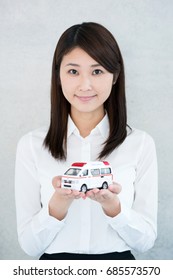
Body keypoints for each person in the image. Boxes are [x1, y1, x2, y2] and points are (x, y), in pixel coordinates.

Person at [15, 22, 158, 260]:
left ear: (115, 76)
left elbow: (145, 242)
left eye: (97, 71)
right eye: (73, 71)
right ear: (58, 76)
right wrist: (57, 205)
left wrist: (114, 208)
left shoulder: (140, 144)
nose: (85, 85)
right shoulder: (31, 146)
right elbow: (30, 246)